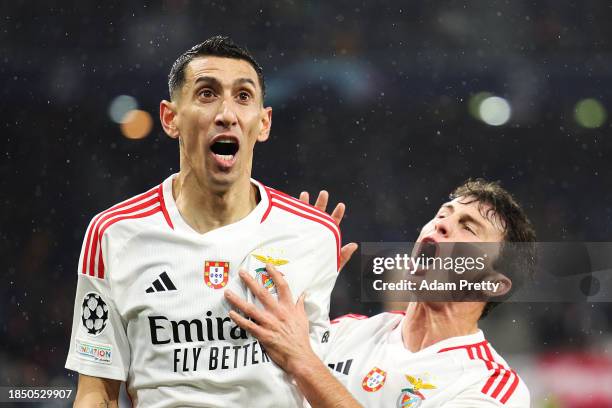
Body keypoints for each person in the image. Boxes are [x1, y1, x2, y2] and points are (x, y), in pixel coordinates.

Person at [65, 36, 357, 407]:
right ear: (171, 118)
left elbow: (318, 379)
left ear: (263, 123)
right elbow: (97, 395)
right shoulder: (113, 233)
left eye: (243, 96)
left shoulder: (313, 234)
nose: (226, 113)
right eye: (206, 94)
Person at [225, 179, 536, 407]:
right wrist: (291, 281)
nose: (440, 227)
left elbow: (300, 359)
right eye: (443, 215)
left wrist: (304, 362)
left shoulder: (492, 388)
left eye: (468, 228)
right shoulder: (345, 333)